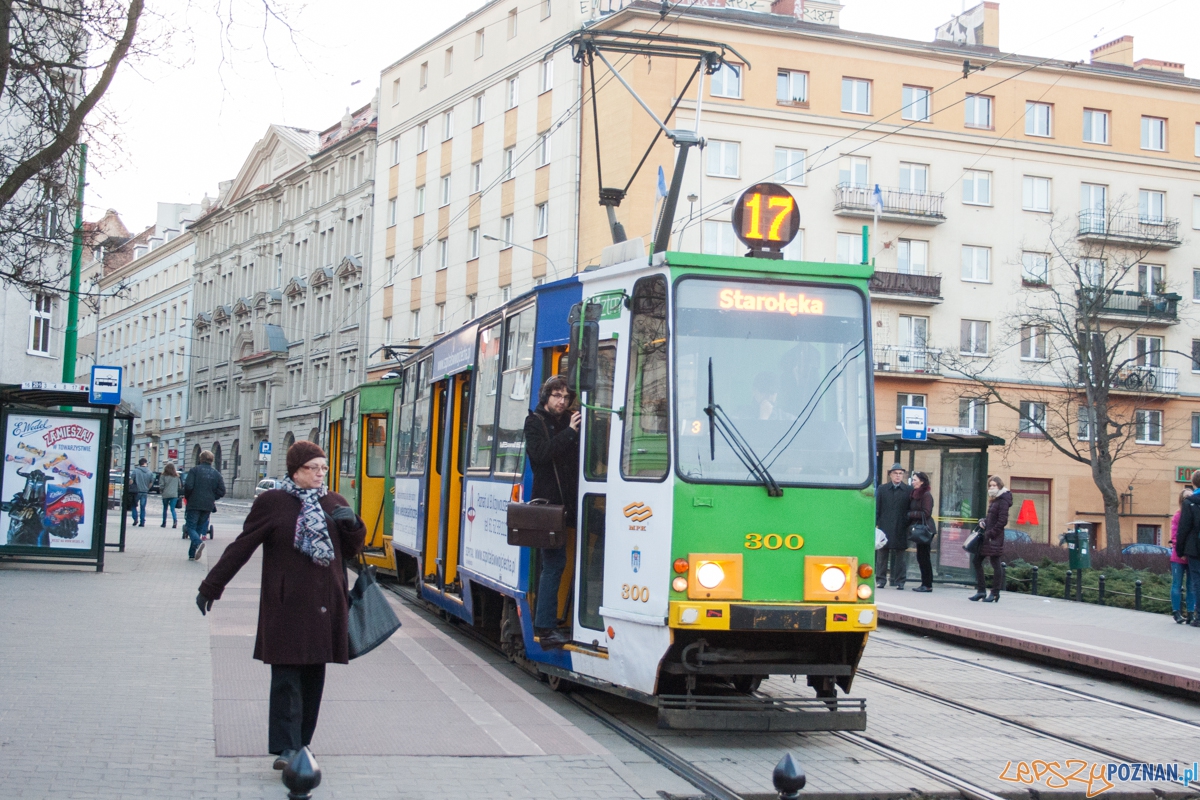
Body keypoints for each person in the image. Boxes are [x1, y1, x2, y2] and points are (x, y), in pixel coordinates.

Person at [195, 441, 365, 771]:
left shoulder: (334, 501)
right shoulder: (273, 502)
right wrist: (211, 587)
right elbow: (242, 546)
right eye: (312, 468)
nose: (320, 474)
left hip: (327, 604)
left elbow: (353, 550)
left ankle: (302, 744)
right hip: (287, 604)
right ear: (295, 471)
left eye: (323, 468)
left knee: (314, 678)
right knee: (287, 678)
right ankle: (286, 748)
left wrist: (352, 524)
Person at [524, 375, 580, 649]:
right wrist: (570, 432)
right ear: (545, 397)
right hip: (548, 506)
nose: (562, 401)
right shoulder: (534, 422)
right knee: (554, 564)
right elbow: (542, 454)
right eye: (557, 395)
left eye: (566, 397)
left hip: (572, 503)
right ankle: (545, 628)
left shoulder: (570, 420)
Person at [970, 476, 1011, 603]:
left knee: (995, 564)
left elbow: (1002, 521)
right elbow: (992, 518)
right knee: (977, 561)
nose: (992, 487)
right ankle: (981, 591)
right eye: (990, 485)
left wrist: (991, 533)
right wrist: (984, 521)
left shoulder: (1003, 500)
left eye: (994, 485)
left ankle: (994, 593)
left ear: (1000, 486)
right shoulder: (994, 500)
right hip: (988, 536)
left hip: (994, 537)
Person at [183, 450, 226, 561]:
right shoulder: (216, 474)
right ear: (211, 460)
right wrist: (212, 497)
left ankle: (198, 543)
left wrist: (188, 497)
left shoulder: (194, 471)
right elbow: (222, 491)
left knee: (190, 527)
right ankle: (192, 554)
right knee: (198, 528)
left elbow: (188, 486)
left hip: (194, 503)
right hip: (207, 505)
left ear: (201, 459)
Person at [875, 463, 911, 589]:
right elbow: (877, 508)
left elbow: (910, 509)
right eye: (895, 473)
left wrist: (907, 523)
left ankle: (899, 581)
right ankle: (881, 580)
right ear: (890, 474)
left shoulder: (908, 490)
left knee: (901, 556)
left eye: (900, 473)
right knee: (882, 554)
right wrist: (876, 524)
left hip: (901, 526)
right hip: (884, 526)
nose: (898, 476)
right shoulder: (882, 489)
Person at [1173, 471, 1200, 627]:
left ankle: (1198, 617)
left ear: (1194, 483)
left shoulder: (1189, 502)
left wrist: (1180, 549)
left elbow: (1183, 529)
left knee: (1197, 582)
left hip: (1195, 548)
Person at [907, 471, 935, 592]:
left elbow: (926, 513)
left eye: (915, 480)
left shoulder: (926, 495)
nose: (912, 482)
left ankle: (927, 584)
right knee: (921, 556)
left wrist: (911, 514)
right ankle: (925, 582)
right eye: (912, 480)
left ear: (922, 481)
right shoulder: (915, 494)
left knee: (924, 556)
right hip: (919, 528)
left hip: (925, 529)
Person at [1169, 488, 1190, 624]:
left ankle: (1190, 612)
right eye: (1185, 498)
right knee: (1177, 584)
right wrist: (1181, 551)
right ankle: (1176, 611)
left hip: (1191, 555)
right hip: (1178, 556)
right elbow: (1175, 536)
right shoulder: (1178, 516)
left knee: (1191, 585)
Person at [129, 458, 154, 527]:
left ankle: (135, 519)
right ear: (145, 463)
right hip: (144, 492)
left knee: (134, 506)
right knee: (143, 507)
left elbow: (131, 481)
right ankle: (142, 522)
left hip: (136, 491)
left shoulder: (135, 471)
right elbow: (151, 482)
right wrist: (147, 488)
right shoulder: (150, 472)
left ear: (139, 463)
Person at [160, 463, 181, 528]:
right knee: (172, 509)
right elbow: (179, 486)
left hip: (166, 494)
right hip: (174, 495)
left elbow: (161, 485)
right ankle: (175, 521)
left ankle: (164, 523)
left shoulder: (163, 476)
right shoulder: (177, 476)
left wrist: (161, 491)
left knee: (165, 509)